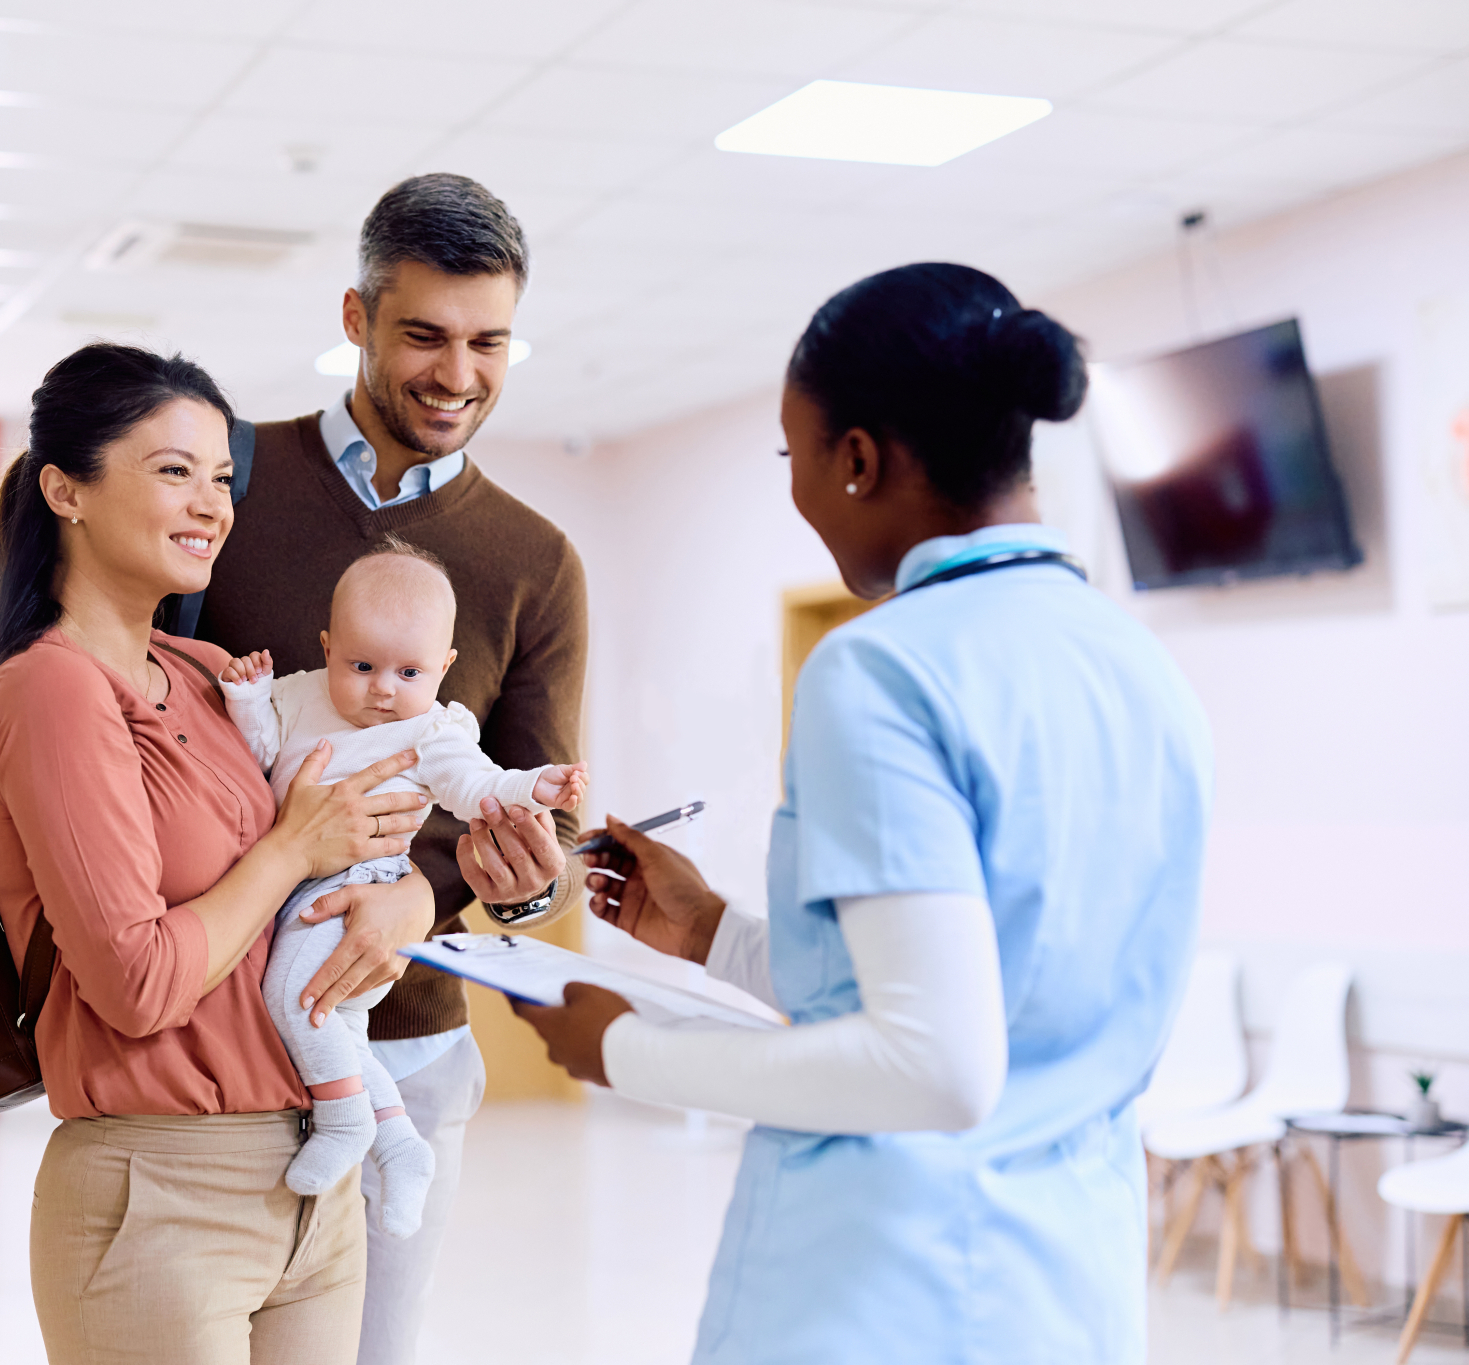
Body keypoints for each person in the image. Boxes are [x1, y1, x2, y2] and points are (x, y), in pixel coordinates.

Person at [0, 173, 588, 1364]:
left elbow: (542, 836)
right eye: (422, 333)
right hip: (199, 1039)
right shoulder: (227, 484)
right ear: (355, 319)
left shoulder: (535, 560)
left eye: (489, 342)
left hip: (402, 1028)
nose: (456, 373)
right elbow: (109, 692)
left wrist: (445, 892)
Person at [513, 263, 1215, 1364]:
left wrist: (627, 1049)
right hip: (1066, 1290)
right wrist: (710, 935)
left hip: (889, 1290)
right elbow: (978, 990)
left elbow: (934, 1063)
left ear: (855, 459)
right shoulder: (1134, 662)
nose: (795, 494)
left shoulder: (881, 671)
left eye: (793, 460)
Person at [0, 342, 435, 1364]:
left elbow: (359, 833)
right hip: (162, 1194)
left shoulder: (214, 672)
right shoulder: (51, 689)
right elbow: (136, 985)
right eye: (173, 470)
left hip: (315, 1174)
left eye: (221, 477)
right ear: (65, 490)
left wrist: (408, 900)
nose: (211, 503)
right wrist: (287, 847)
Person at [217, 541, 589, 1236]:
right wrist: (245, 698)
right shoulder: (299, 693)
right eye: (360, 666)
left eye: (408, 671)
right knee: (341, 1026)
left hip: (369, 890)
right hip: (294, 888)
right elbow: (257, 753)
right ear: (327, 647)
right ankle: (399, 1144)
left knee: (297, 999)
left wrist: (536, 785)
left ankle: (347, 1119)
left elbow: (480, 787)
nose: (383, 688)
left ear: (444, 667)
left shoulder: (433, 731)